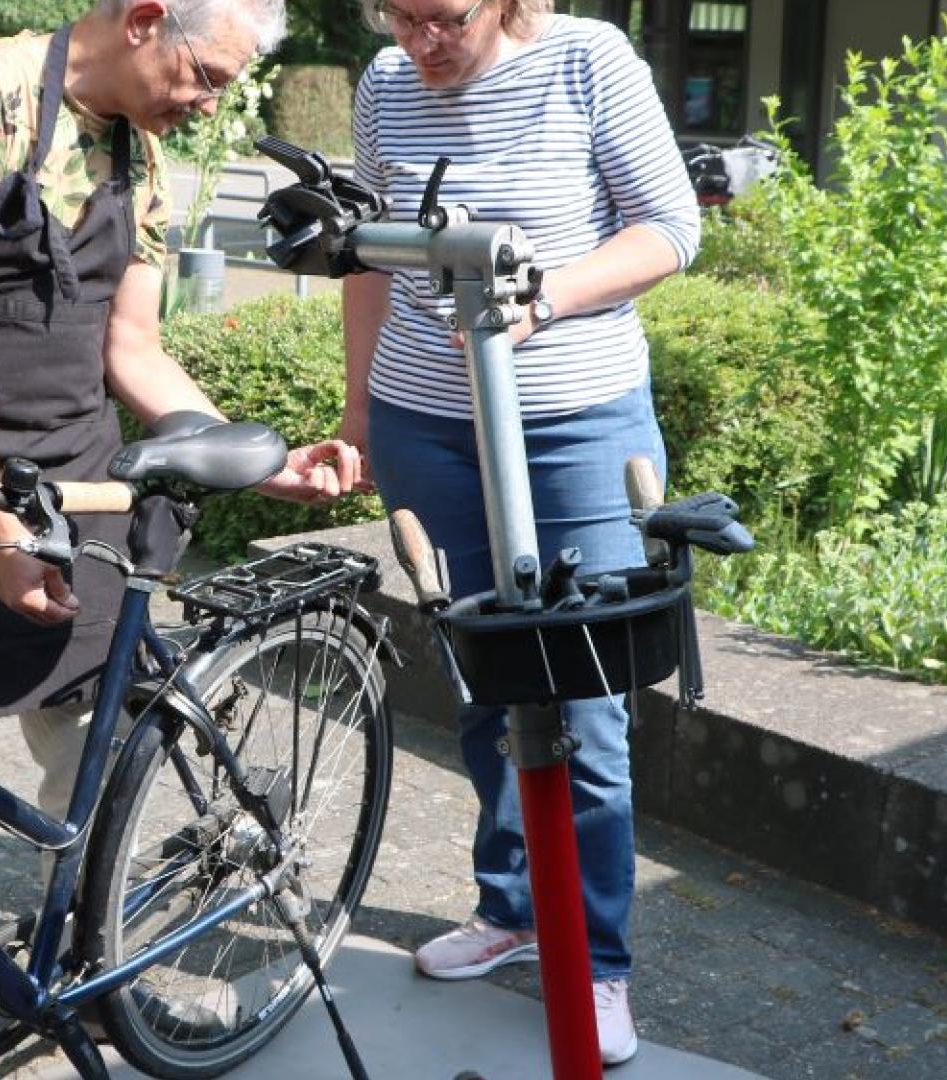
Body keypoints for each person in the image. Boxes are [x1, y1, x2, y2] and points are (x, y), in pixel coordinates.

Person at [0, 2, 360, 1075]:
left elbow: (132, 347)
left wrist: (254, 457)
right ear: (144, 20)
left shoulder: (137, 151)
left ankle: (73, 954)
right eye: (206, 73)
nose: (211, 100)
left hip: (78, 481)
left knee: (90, 753)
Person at [340, 0, 699, 1066]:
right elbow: (366, 254)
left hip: (574, 425)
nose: (421, 42)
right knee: (483, 680)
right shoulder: (383, 83)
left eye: (443, 17)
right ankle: (510, 908)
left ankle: (597, 962)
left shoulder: (588, 60)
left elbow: (670, 227)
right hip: (426, 422)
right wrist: (359, 408)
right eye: (399, 17)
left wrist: (547, 291)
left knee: (583, 703)